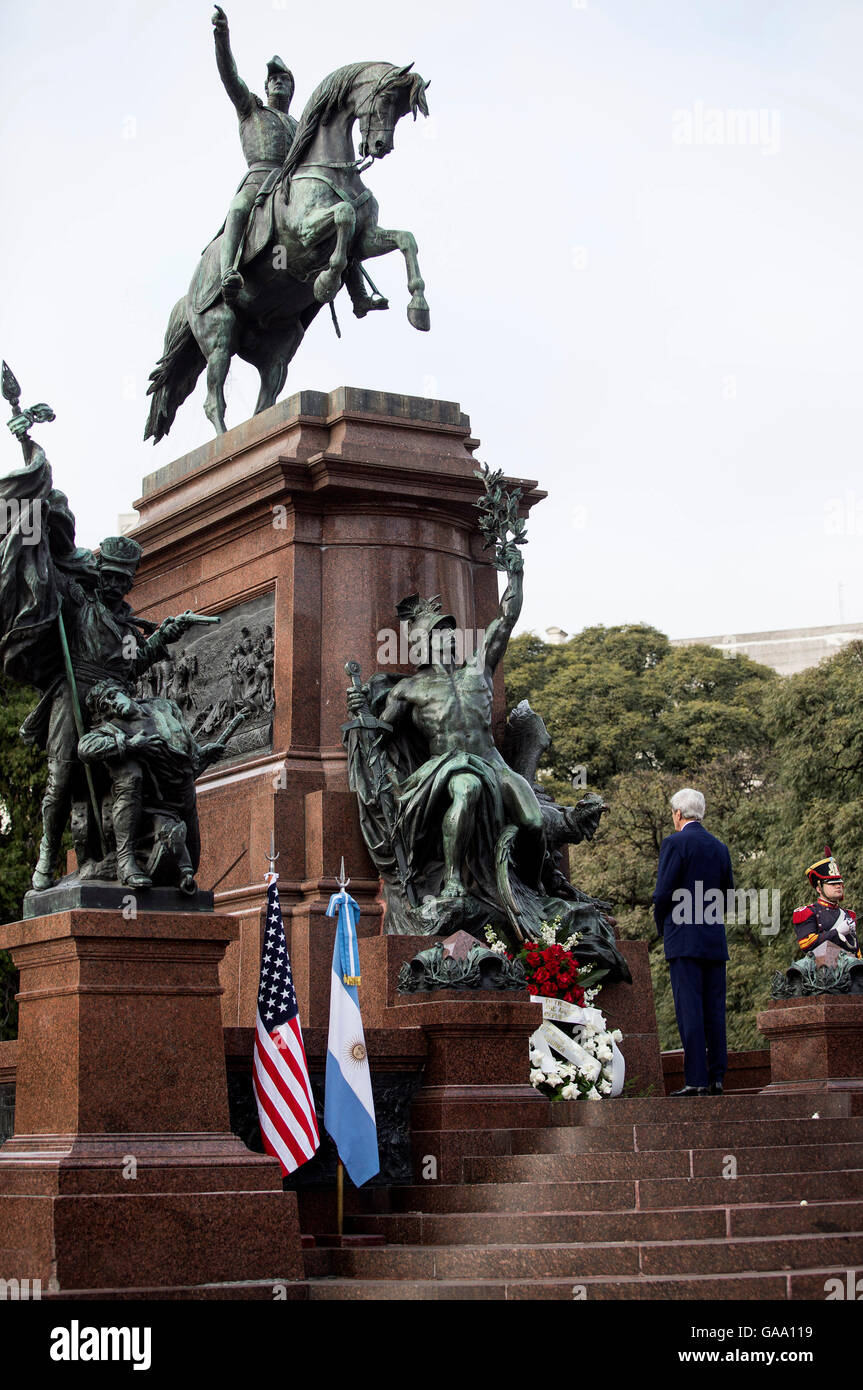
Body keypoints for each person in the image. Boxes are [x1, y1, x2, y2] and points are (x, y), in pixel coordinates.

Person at [211, 6, 297, 303]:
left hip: (290, 187)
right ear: (265, 85)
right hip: (257, 180)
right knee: (237, 209)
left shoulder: (299, 126)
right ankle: (228, 273)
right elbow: (229, 76)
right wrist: (222, 37)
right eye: (273, 79)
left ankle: (356, 291)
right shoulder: (251, 109)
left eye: (284, 79)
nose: (278, 82)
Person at [652, 788, 734, 1097]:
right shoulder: (719, 847)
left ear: (677, 813)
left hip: (683, 938)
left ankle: (696, 1079)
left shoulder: (675, 843)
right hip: (713, 938)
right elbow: (727, 893)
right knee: (715, 1009)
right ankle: (717, 1077)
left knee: (690, 1010)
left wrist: (663, 926)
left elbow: (663, 893)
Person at [793, 848, 861, 960]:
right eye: (833, 884)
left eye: (839, 883)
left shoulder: (849, 914)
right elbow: (806, 944)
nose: (838, 886)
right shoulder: (807, 912)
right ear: (819, 888)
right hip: (822, 970)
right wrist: (837, 932)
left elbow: (855, 950)